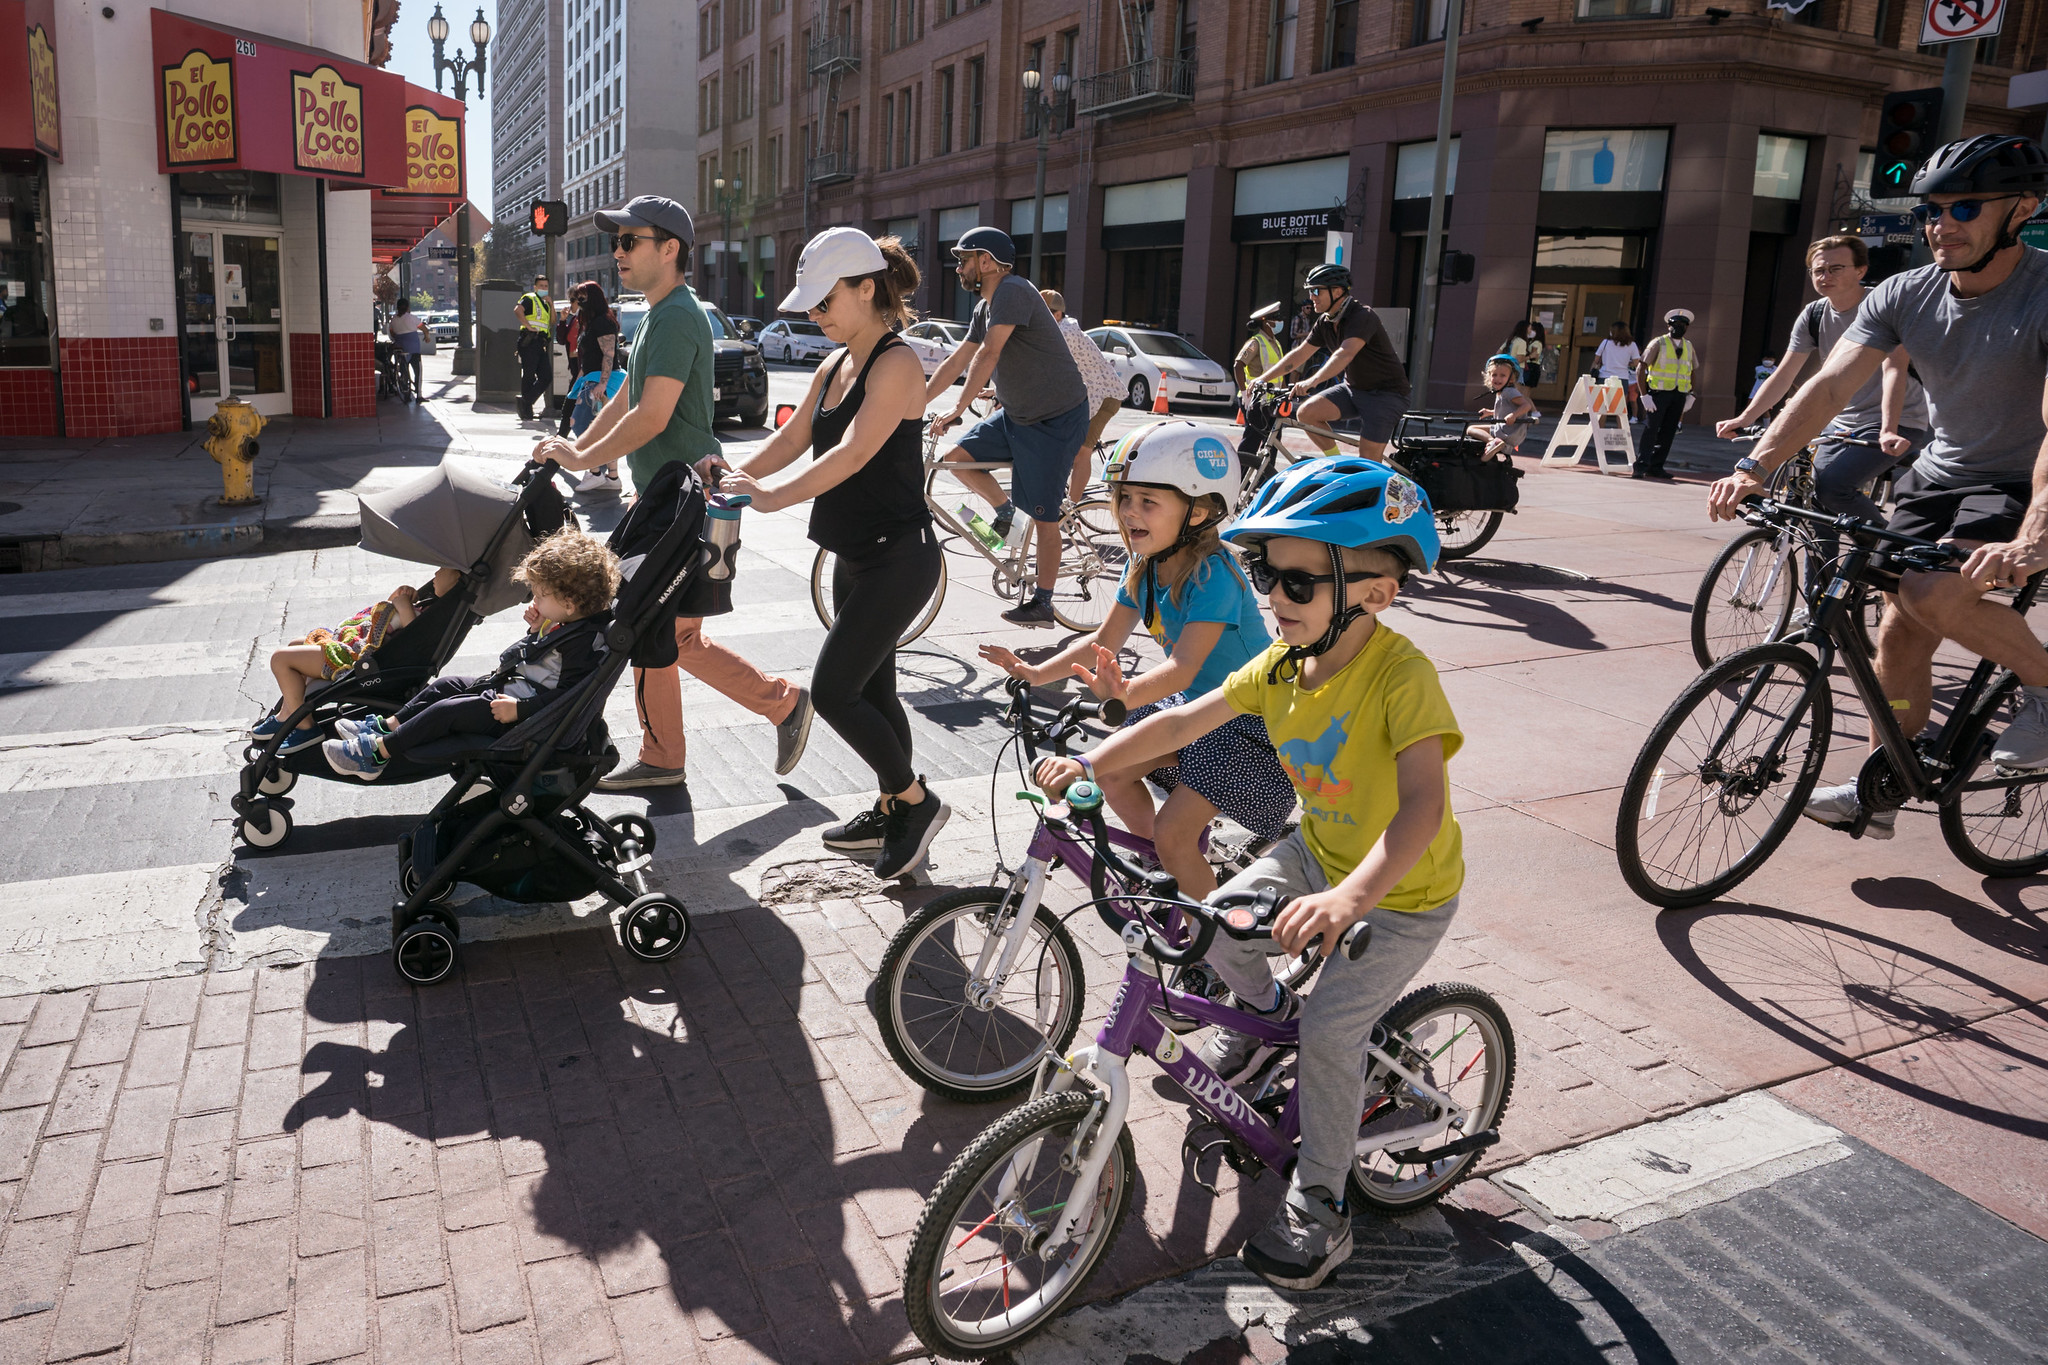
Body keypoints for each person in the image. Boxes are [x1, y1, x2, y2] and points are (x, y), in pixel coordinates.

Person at [1036, 457, 1462, 1290]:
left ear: (1376, 591)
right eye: (1269, 574)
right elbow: (1185, 719)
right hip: (1316, 851)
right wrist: (1088, 757)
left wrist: (1349, 898)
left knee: (1331, 1032)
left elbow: (1421, 809)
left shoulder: (1402, 676)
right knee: (1208, 923)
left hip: (1403, 893)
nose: (1277, 597)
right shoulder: (1278, 666)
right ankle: (1264, 1014)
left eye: (1299, 581)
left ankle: (1324, 1206)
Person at [1706, 134, 2048, 839]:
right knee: (1896, 631)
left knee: (1929, 591)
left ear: (2023, 210)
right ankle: (1883, 785)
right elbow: (1829, 385)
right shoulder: (1904, 291)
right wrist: (1755, 465)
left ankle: (2044, 691)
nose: (1941, 224)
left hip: (2023, 476)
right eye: (1932, 209)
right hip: (1939, 473)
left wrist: (2034, 530)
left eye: (1965, 207)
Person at [532, 195, 814, 792]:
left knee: (652, 631)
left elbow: (653, 416)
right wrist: (575, 444)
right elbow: (624, 400)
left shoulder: (677, 316)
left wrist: (582, 458)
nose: (617, 252)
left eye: (629, 241)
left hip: (681, 503)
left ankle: (708, 736)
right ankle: (753, 717)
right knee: (668, 635)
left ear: (669, 249)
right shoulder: (660, 313)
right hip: (667, 499)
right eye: (617, 242)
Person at [720, 227, 951, 881]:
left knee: (833, 689)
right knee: (876, 695)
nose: (816, 316)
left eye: (825, 302)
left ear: (866, 288)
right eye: (812, 306)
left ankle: (917, 802)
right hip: (857, 558)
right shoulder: (836, 361)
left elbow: (852, 453)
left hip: (902, 560)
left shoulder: (897, 362)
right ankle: (894, 811)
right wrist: (737, 477)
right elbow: (793, 440)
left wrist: (768, 498)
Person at [982, 423, 1293, 898]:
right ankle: (1167, 866)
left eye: (1149, 501)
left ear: (1201, 511)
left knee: (1174, 833)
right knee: (1110, 772)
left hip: (1250, 724)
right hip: (1195, 713)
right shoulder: (1142, 564)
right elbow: (1102, 641)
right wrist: (1037, 674)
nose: (1129, 512)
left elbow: (1183, 668)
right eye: (1125, 498)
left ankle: (1212, 951)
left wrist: (1123, 698)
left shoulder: (1216, 575)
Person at [322, 531, 617, 779]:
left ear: (567, 602)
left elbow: (571, 696)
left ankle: (375, 754)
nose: (535, 599)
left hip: (527, 717)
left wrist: (521, 709)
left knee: (447, 712)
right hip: (513, 691)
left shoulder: (583, 643)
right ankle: (386, 726)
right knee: (445, 686)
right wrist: (538, 628)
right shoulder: (568, 623)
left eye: (540, 595)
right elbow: (546, 661)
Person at [924, 226, 1091, 627]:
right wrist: (915, 403)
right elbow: (958, 359)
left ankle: (1044, 603)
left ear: (986, 261)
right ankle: (1008, 522)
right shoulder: (984, 307)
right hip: (1018, 415)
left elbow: (988, 353)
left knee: (1045, 517)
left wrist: (958, 409)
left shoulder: (1013, 291)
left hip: (1054, 420)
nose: (959, 267)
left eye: (965, 259)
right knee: (958, 459)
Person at [1716, 234, 1930, 527]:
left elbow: (1894, 369)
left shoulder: (1882, 305)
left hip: (1895, 421)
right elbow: (1785, 373)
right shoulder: (1815, 313)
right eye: (1818, 270)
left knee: (1832, 487)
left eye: (1836, 268)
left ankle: (1882, 556)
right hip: (1838, 419)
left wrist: (1889, 429)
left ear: (1861, 270)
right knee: (1811, 495)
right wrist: (1745, 416)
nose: (1825, 276)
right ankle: (1823, 574)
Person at [254, 567, 464, 753]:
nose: (436, 573)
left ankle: (305, 727)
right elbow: (385, 616)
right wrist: (401, 596)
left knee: (281, 659)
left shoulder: (439, 615)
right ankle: (287, 713)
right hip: (372, 651)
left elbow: (416, 640)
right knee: (295, 645)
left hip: (365, 662)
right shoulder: (433, 604)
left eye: (443, 568)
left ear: (457, 579)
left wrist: (404, 607)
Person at [1254, 264, 1410, 460]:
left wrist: (1312, 381)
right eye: (1310, 291)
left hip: (1386, 395)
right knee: (1307, 413)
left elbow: (1344, 354)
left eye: (1316, 291)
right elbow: (1300, 354)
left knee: (1368, 461)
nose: (1312, 297)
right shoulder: (1325, 322)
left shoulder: (1362, 316)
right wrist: (1262, 378)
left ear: (1337, 291)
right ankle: (1337, 461)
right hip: (1354, 389)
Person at [1042, 287, 1125, 507]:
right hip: (1086, 398)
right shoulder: (1055, 330)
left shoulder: (1065, 333)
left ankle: (1072, 507)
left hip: (1105, 398)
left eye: (1043, 311)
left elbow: (1044, 369)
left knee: (1081, 453)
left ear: (1057, 314)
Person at [560, 281, 623, 490]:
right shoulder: (593, 321)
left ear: (593, 297)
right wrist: (579, 382)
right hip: (592, 379)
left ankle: (595, 471)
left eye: (583, 296)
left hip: (601, 381)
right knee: (604, 429)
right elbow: (588, 358)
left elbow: (609, 354)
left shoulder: (602, 322)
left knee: (582, 424)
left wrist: (602, 383)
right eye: (578, 297)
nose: (579, 301)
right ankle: (612, 477)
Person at [1634, 308, 1699, 481]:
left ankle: (1657, 466)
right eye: (1675, 324)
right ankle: (1641, 466)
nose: (1678, 327)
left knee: (1669, 431)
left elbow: (1692, 370)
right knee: (1651, 430)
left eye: (1682, 325)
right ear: (1668, 325)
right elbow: (1641, 367)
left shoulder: (1688, 345)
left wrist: (1691, 394)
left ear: (1687, 327)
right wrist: (1643, 395)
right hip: (1658, 394)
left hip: (1679, 395)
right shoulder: (1658, 343)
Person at [1467, 354, 1536, 457]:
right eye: (1494, 375)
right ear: (1489, 376)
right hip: (1507, 430)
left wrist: (1514, 415)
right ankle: (1500, 445)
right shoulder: (1503, 391)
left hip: (1508, 431)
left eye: (1502, 375)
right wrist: (1490, 412)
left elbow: (1526, 406)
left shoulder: (1509, 392)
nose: (1497, 379)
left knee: (1471, 429)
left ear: (1511, 379)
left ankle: (1493, 442)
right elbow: (1506, 409)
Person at [516, 274, 554, 422]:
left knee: (546, 376)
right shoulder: (530, 298)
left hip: (541, 343)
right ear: (535, 287)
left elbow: (552, 322)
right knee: (529, 375)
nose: (544, 289)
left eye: (546, 286)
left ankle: (526, 402)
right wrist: (528, 326)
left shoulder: (545, 303)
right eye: (541, 286)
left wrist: (551, 305)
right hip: (529, 341)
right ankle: (527, 410)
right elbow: (517, 310)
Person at [1592, 321, 1640, 420]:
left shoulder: (1605, 343)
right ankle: (1621, 432)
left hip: (1604, 376)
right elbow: (1636, 363)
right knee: (1620, 410)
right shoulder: (1632, 345)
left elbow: (1596, 360)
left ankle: (1600, 432)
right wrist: (1626, 363)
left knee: (1602, 409)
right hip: (1622, 378)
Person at [387, 298, 424, 402]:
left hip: (400, 347)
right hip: (413, 348)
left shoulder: (393, 319)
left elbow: (391, 332)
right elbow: (422, 327)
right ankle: (419, 395)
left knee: (403, 371)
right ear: (408, 307)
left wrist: (397, 337)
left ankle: (405, 392)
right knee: (418, 371)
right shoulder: (412, 318)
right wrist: (427, 335)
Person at [1507, 320, 1546, 392]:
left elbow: (1534, 356)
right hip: (1526, 367)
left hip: (1531, 368)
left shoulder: (1536, 343)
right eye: (1530, 328)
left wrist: (1530, 356)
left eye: (1532, 329)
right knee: (1522, 394)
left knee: (1523, 394)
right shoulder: (1526, 341)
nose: (1531, 331)